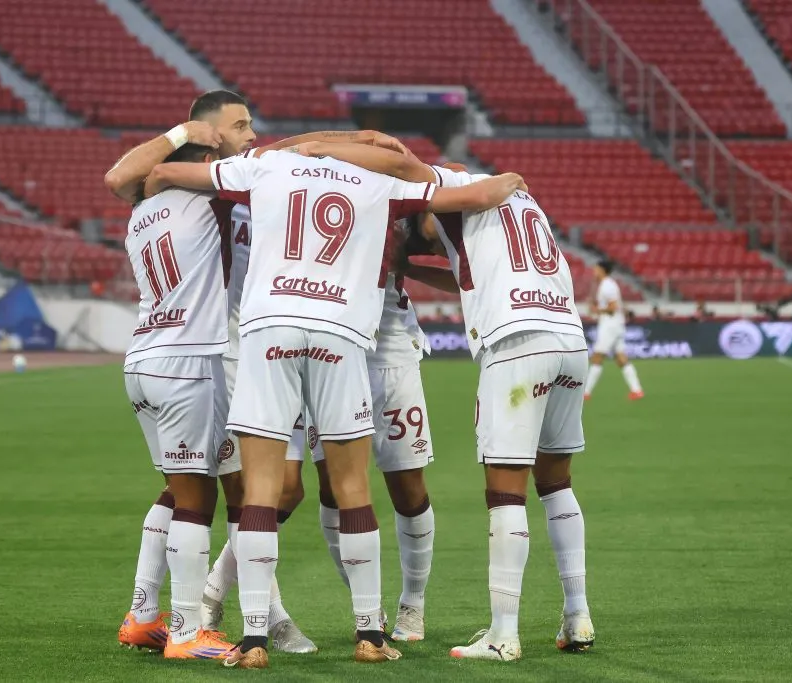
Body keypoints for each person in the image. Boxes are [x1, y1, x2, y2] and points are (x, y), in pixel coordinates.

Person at [145, 147, 523, 668]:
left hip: (269, 326)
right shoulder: (378, 185)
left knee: (260, 486)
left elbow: (166, 173)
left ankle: (253, 637)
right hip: (340, 332)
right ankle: (369, 631)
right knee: (352, 487)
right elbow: (476, 193)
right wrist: (512, 181)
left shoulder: (267, 165)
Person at [106, 90, 411, 654]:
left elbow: (129, 179)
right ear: (209, 136)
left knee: (209, 488)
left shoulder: (158, 199)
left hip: (176, 347)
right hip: (219, 348)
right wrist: (351, 142)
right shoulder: (223, 190)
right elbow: (126, 174)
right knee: (239, 493)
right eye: (240, 125)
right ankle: (203, 620)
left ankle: (152, 610)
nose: (252, 133)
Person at [293, 142, 596, 661]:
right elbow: (463, 275)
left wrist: (312, 149)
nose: (423, 233)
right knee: (557, 484)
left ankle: (503, 634)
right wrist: (408, 266)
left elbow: (395, 161)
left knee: (505, 493)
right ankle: (578, 615)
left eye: (421, 227)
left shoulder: (451, 189)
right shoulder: (519, 205)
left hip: (517, 347)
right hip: (568, 341)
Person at [118, 140, 236, 660]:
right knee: (197, 500)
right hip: (187, 361)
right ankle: (188, 632)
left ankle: (143, 616)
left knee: (174, 488)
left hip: (142, 358)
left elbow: (124, 176)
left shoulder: (141, 212)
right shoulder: (210, 198)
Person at [307, 222, 437, 642]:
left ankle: (413, 604)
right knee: (331, 486)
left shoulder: (391, 183)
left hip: (391, 351)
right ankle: (367, 605)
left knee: (407, 485)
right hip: (329, 350)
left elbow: (444, 191)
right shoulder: (313, 177)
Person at [582, 261, 643, 400]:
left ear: (602, 270)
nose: (594, 272)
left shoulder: (607, 286)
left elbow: (613, 307)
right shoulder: (607, 285)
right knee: (621, 358)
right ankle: (637, 390)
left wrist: (596, 309)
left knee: (597, 356)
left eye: (596, 269)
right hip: (616, 324)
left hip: (610, 325)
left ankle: (586, 392)